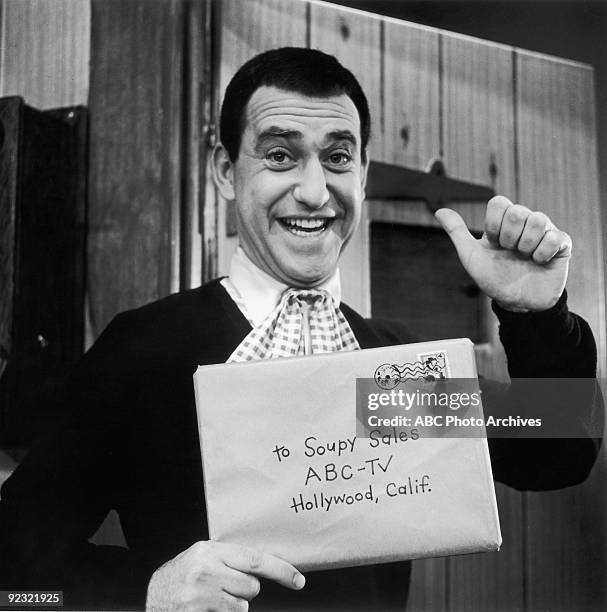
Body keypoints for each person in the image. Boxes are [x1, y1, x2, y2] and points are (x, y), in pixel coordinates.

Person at [0, 47, 599, 612]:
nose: (314, 193)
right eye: (281, 156)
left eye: (338, 157)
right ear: (227, 171)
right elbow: (15, 582)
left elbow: (558, 448)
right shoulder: (145, 350)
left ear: (362, 172)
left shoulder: (395, 369)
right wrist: (144, 594)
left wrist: (536, 316)